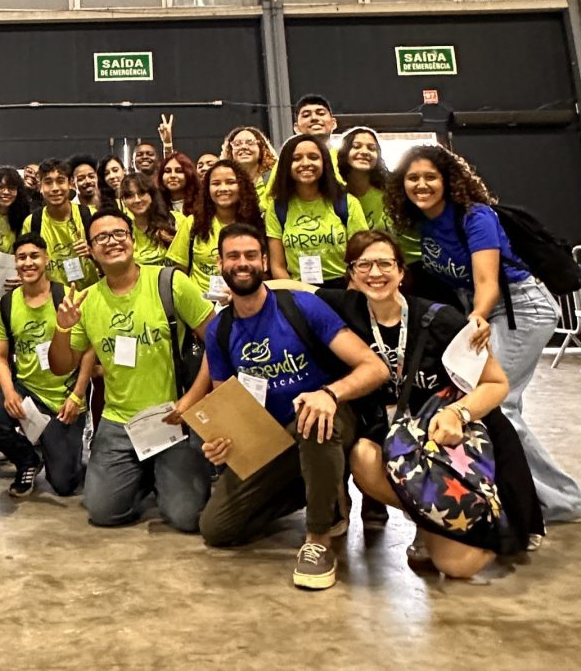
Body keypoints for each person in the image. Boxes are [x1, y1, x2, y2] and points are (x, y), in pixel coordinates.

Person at [295, 230, 544, 575]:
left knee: (457, 568)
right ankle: (431, 523)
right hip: (397, 439)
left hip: (448, 439)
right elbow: (288, 293)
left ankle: (475, 521)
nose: (375, 273)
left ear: (401, 271)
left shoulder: (443, 319)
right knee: (363, 456)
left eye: (384, 263)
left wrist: (459, 411)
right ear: (351, 274)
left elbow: (496, 383)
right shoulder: (343, 308)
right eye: (363, 264)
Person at [385, 144, 581, 522]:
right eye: (413, 178)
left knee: (496, 404)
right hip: (480, 310)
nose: (421, 184)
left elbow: (487, 280)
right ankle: (524, 491)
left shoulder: (476, 216)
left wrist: (476, 316)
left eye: (430, 177)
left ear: (448, 181)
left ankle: (563, 501)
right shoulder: (423, 223)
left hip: (519, 307)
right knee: (505, 408)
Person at [198, 223, 388, 590]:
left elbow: (375, 368)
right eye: (233, 256)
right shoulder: (220, 330)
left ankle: (318, 538)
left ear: (265, 262)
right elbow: (228, 407)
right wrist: (221, 443)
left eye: (251, 255)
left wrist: (329, 394)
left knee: (311, 420)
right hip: (271, 441)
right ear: (220, 264)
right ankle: (325, 490)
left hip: (328, 419)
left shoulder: (301, 306)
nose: (242, 263)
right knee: (216, 528)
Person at [49, 208, 216, 532]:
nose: (111, 242)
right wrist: (62, 328)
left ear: (132, 240)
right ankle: (144, 475)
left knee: (186, 518)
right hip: (118, 423)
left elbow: (217, 342)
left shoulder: (170, 283)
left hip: (172, 417)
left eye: (118, 234)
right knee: (103, 512)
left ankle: (163, 473)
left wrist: (192, 399)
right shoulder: (89, 300)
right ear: (92, 249)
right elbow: (61, 366)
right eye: (101, 238)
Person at [0, 234, 93, 497]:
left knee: (64, 484)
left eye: (34, 256)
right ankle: (27, 458)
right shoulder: (6, 304)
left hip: (63, 396)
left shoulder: (66, 297)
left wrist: (77, 395)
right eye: (21, 258)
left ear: (46, 259)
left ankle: (55, 445)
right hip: (27, 389)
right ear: (15, 263)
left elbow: (88, 349)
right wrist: (8, 392)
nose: (28, 263)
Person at [265, 134, 368, 287]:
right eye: (296, 158)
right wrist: (298, 295)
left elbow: (363, 256)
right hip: (299, 290)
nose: (305, 163)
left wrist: (351, 292)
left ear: (324, 162)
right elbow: (278, 266)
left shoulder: (347, 203)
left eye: (313, 157)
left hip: (345, 288)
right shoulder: (277, 208)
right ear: (286, 165)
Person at [167, 160, 262, 297]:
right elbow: (178, 272)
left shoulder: (255, 223)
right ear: (207, 189)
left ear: (242, 186)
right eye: (216, 184)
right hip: (200, 306)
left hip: (244, 301)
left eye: (230, 182)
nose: (223, 188)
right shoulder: (192, 223)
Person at [336, 127, 421, 267]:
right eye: (356, 146)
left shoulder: (394, 188)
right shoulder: (341, 201)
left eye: (371, 148)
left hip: (417, 263)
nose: (364, 152)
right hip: (379, 268)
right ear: (345, 153)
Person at [20, 159, 98, 288]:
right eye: (48, 182)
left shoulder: (90, 216)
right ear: (40, 187)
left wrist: (93, 253)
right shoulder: (33, 222)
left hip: (89, 295)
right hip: (51, 298)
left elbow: (109, 262)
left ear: (70, 184)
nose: (55, 188)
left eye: (60, 181)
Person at [118, 172, 177, 266]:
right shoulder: (123, 232)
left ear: (151, 195)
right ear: (123, 201)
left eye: (142, 193)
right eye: (130, 196)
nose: (137, 200)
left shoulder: (175, 220)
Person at [221, 126, 277, 202]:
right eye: (237, 144)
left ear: (261, 150)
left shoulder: (275, 177)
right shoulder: (224, 183)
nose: (244, 147)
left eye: (250, 142)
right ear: (230, 153)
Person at [157, 152, 199, 217]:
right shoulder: (156, 205)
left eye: (179, 171)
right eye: (167, 171)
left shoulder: (201, 204)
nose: (172, 175)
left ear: (189, 174)